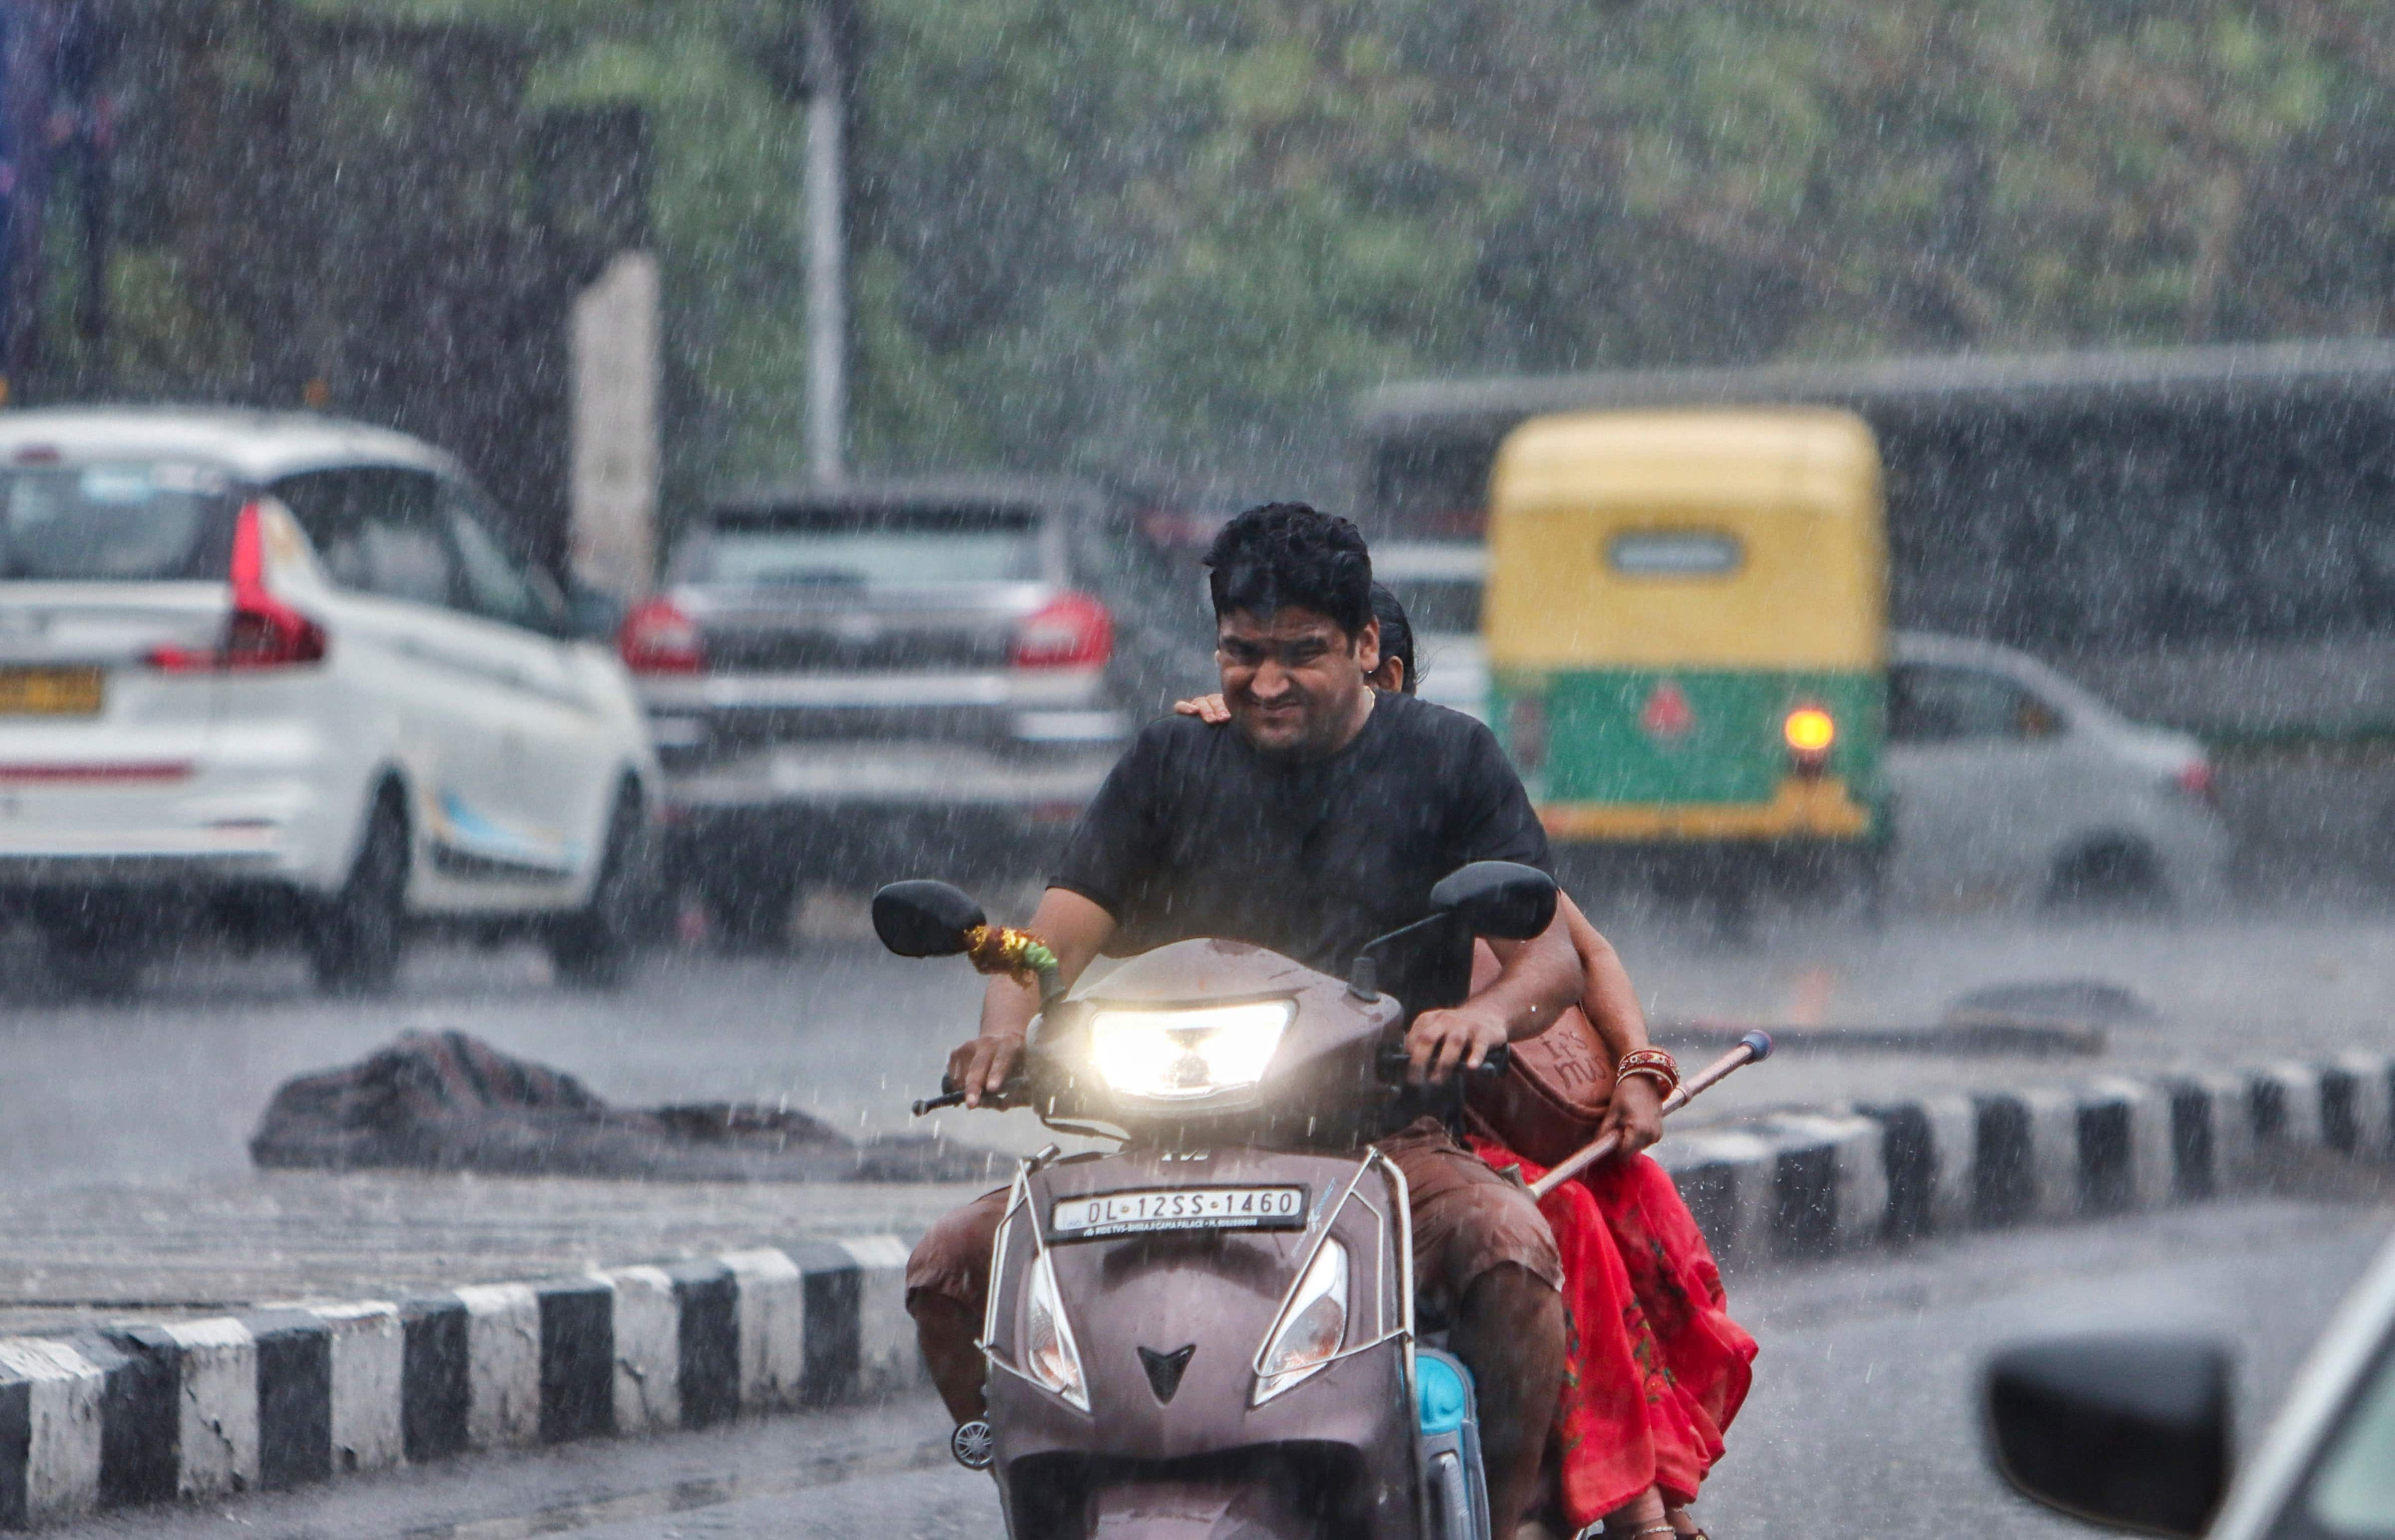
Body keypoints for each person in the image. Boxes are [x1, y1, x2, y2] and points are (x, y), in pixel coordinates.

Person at [906, 503, 1583, 1539]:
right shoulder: (1172, 760)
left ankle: (1505, 1512)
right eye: (1243, 652)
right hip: (1156, 1146)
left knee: (1513, 1254)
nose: (1266, 683)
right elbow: (1048, 944)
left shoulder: (1450, 758)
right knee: (946, 1272)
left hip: (1380, 1150)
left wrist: (1480, 1015)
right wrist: (1005, 1021)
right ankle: (1045, 1469)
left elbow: (1554, 955)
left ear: (1366, 646)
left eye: (1302, 654)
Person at [1179, 586, 1755, 1540]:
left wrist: (1638, 1073)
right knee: (1558, 1211)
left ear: (1381, 677)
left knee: (1618, 1196)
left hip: (1451, 1121)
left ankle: (1615, 1498)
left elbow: (1580, 947)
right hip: (1305, 1122)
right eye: (1256, 675)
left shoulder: (1440, 788)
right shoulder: (1220, 772)